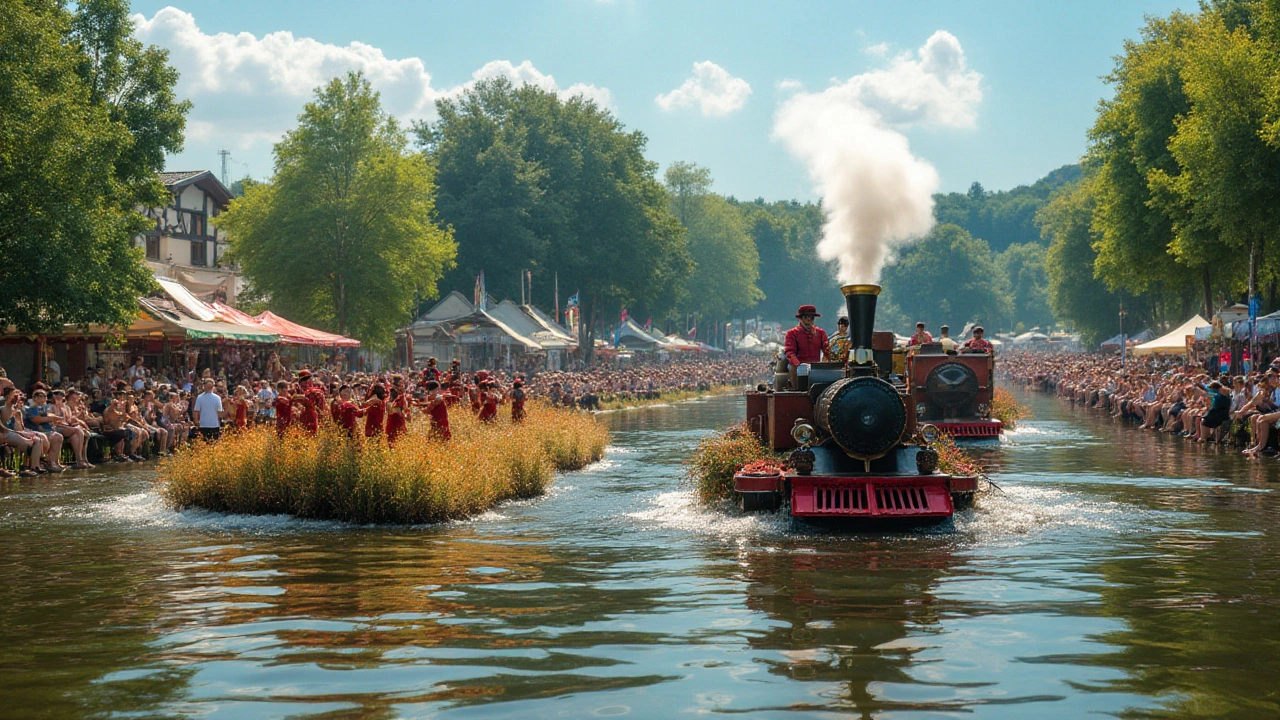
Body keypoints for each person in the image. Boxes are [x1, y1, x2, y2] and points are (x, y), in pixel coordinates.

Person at [23, 389, 67, 472]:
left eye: (45, 396)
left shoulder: (44, 408)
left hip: (47, 431)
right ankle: (49, 462)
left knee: (58, 436)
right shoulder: (31, 409)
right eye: (41, 396)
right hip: (37, 431)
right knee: (56, 437)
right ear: (35, 398)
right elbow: (37, 420)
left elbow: (49, 415)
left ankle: (53, 462)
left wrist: (55, 418)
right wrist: (52, 418)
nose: (44, 398)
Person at [783, 304, 829, 373]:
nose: (809, 319)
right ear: (801, 318)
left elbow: (827, 349)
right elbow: (790, 353)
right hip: (797, 368)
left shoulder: (821, 333)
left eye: (812, 317)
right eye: (806, 317)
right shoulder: (792, 333)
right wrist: (798, 365)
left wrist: (825, 362)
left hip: (815, 368)